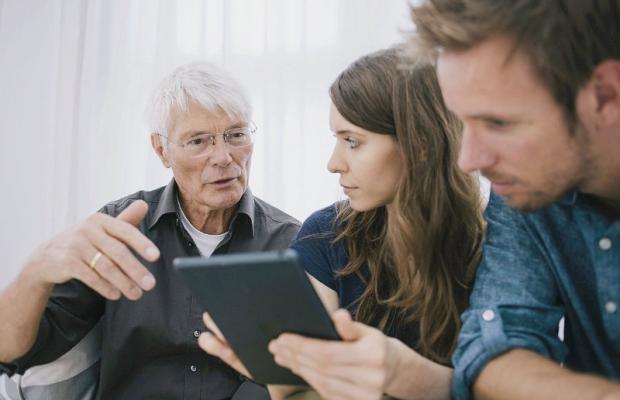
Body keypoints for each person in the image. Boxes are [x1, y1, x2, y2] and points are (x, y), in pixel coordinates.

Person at [0, 62, 300, 399]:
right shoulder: (121, 227)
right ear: (162, 150)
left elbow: (302, 374)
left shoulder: (289, 242)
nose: (223, 157)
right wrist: (35, 272)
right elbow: (10, 352)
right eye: (199, 141)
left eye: (235, 135)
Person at [199, 47, 485, 400]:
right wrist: (272, 364)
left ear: (420, 143)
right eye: (337, 140)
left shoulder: (493, 249)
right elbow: (292, 388)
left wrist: (399, 377)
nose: (333, 163)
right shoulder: (327, 234)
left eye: (352, 141)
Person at [409, 1, 620, 399]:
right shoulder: (529, 188)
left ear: (605, 96)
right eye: (463, 122)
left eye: (498, 123)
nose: (469, 161)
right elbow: (490, 351)